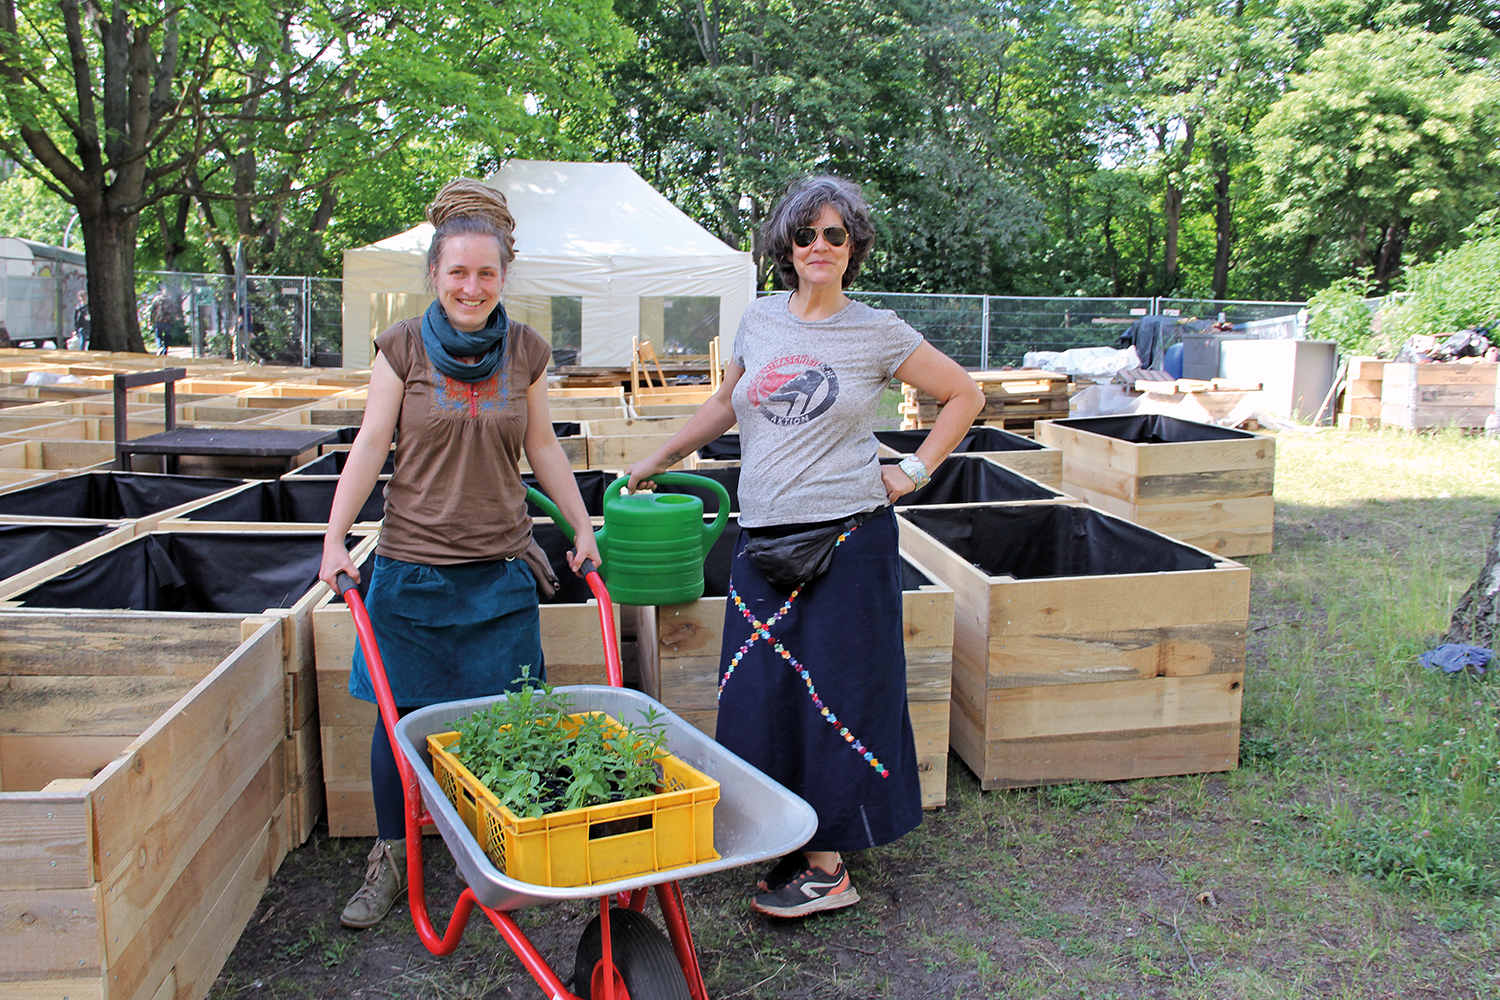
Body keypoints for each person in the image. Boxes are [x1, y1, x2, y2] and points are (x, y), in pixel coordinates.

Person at [624, 175, 984, 918]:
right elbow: (727, 404)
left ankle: (829, 866)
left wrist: (911, 470)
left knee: (839, 696)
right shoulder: (759, 319)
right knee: (762, 687)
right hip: (762, 539)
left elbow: (965, 396)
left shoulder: (878, 330)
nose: (819, 247)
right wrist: (657, 459)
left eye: (835, 235)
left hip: (848, 540)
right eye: (805, 234)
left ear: (853, 248)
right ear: (785, 246)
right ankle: (786, 828)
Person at [318, 177, 601, 930]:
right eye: (457, 272)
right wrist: (333, 536)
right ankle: (392, 856)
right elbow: (371, 444)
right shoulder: (402, 347)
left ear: (504, 276)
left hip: (500, 569)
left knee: (513, 716)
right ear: (436, 276)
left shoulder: (525, 352)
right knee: (398, 721)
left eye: (485, 273)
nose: (471, 286)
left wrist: (580, 525)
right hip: (411, 567)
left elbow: (542, 445)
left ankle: (509, 847)